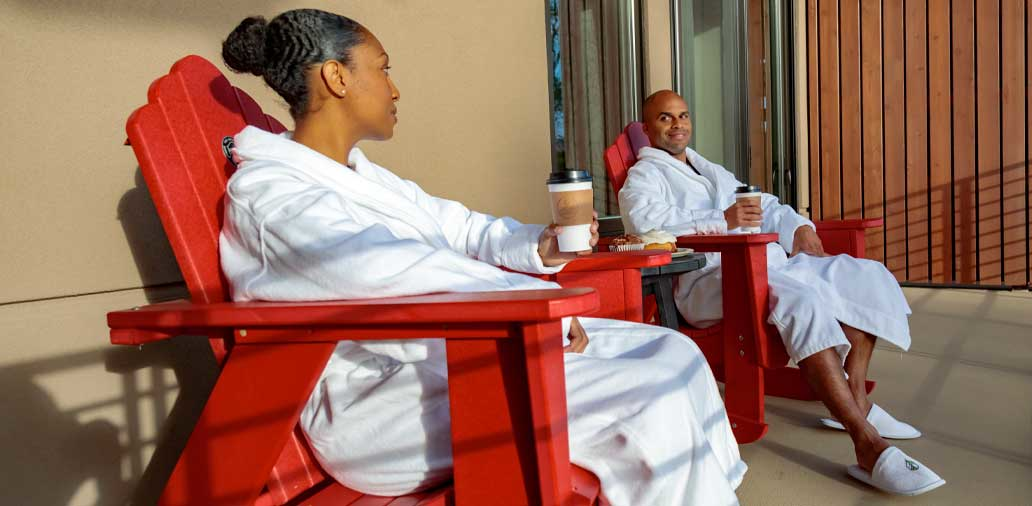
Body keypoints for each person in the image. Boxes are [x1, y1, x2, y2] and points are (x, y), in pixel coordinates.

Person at [217, 11, 744, 505]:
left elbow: (460, 225)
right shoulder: (270, 193)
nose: (394, 88)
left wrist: (542, 244)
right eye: (382, 70)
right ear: (336, 77)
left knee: (674, 355)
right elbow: (384, 270)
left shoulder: (364, 177)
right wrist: (536, 301)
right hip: (384, 399)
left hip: (458, 351)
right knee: (648, 400)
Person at [618, 90, 945, 496]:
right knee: (803, 302)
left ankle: (855, 396)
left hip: (766, 265)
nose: (678, 124)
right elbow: (648, 227)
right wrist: (720, 220)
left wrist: (799, 227)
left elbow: (761, 203)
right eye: (666, 118)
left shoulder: (708, 170)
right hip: (710, 279)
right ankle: (867, 442)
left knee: (861, 275)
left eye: (683, 116)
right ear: (647, 130)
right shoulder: (643, 177)